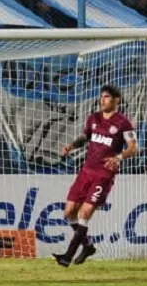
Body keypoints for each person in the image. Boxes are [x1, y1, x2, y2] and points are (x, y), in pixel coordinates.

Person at [54, 84, 138, 269]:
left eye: (107, 97)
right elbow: (86, 137)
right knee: (69, 212)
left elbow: (133, 147)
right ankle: (88, 246)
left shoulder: (123, 123)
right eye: (102, 96)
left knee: (84, 213)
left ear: (116, 100)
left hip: (103, 175)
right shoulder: (93, 118)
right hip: (86, 171)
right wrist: (72, 146)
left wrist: (119, 157)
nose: (102, 100)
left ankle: (67, 256)